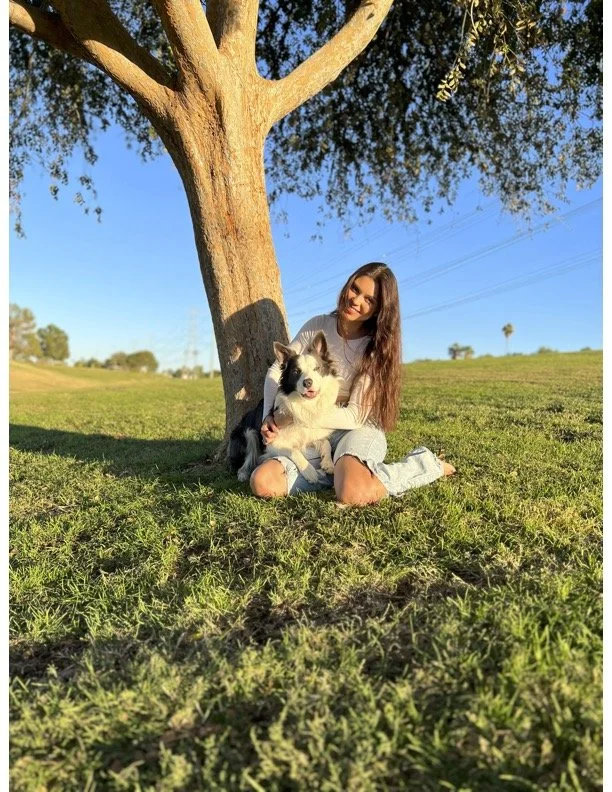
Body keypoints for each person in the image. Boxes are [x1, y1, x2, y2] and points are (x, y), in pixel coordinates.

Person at [250, 262, 456, 505]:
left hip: (355, 427)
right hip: (314, 430)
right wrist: (269, 417)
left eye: (369, 299)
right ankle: (337, 475)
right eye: (355, 289)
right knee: (263, 482)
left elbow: (355, 417)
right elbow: (277, 370)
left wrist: (293, 415)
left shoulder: (375, 347)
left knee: (353, 494)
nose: (356, 300)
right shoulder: (318, 325)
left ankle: (424, 465)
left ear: (379, 309)